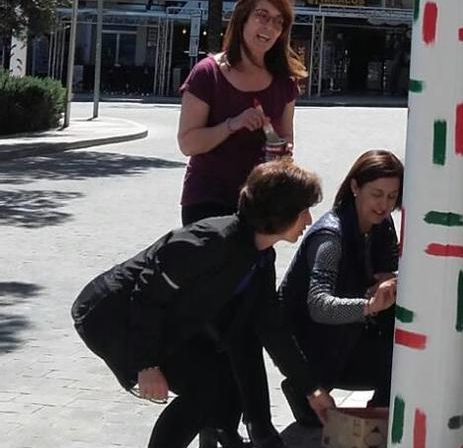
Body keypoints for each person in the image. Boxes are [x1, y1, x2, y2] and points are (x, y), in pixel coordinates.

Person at [71, 160, 335, 448]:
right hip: (108, 316)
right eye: (303, 212)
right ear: (280, 212)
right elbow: (148, 296)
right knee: (203, 388)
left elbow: (272, 328)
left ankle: (219, 435)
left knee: (218, 375)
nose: (308, 221)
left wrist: (311, 389)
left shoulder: (260, 257)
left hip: (155, 317)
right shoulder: (209, 242)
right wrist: (146, 364)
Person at [278, 150, 403, 426]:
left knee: (409, 346)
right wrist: (368, 305)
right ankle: (307, 386)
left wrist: (387, 281)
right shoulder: (330, 237)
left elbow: (388, 270)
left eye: (392, 196)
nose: (384, 205)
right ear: (355, 187)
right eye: (377, 194)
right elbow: (320, 305)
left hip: (350, 331)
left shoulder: (381, 225)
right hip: (315, 341)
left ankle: (378, 418)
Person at [177, 0, 305, 226]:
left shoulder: (284, 81)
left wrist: (280, 148)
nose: (270, 27)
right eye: (262, 16)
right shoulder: (207, 73)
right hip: (208, 200)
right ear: (243, 19)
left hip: (261, 203)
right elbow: (187, 143)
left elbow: (286, 138)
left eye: (279, 22)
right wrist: (232, 124)